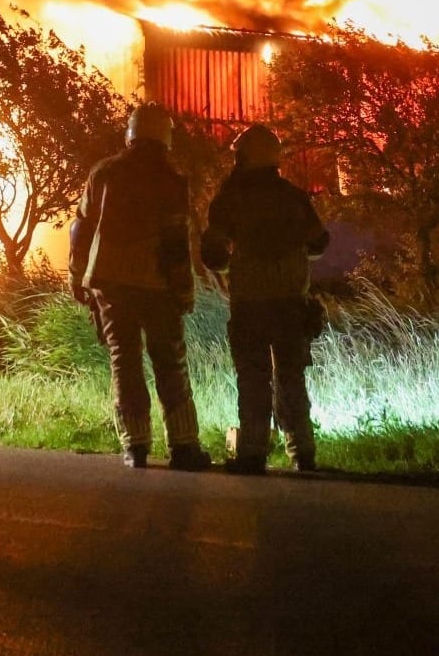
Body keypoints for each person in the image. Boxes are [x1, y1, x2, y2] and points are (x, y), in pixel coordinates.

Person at [71, 103, 210, 471]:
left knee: (124, 361)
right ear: (165, 137)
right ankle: (183, 446)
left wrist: (77, 275)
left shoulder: (104, 173)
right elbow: (176, 242)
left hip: (111, 285)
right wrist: (184, 291)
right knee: (170, 361)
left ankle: (135, 446)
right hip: (157, 285)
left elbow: (80, 228)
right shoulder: (169, 178)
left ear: (129, 134)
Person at [201, 124, 329, 475]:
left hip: (250, 303)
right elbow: (320, 242)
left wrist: (232, 268)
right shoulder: (293, 197)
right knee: (291, 377)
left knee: (253, 377)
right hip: (290, 302)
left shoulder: (231, 198)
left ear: (244, 158)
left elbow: (212, 252)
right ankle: (302, 452)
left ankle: (252, 452)